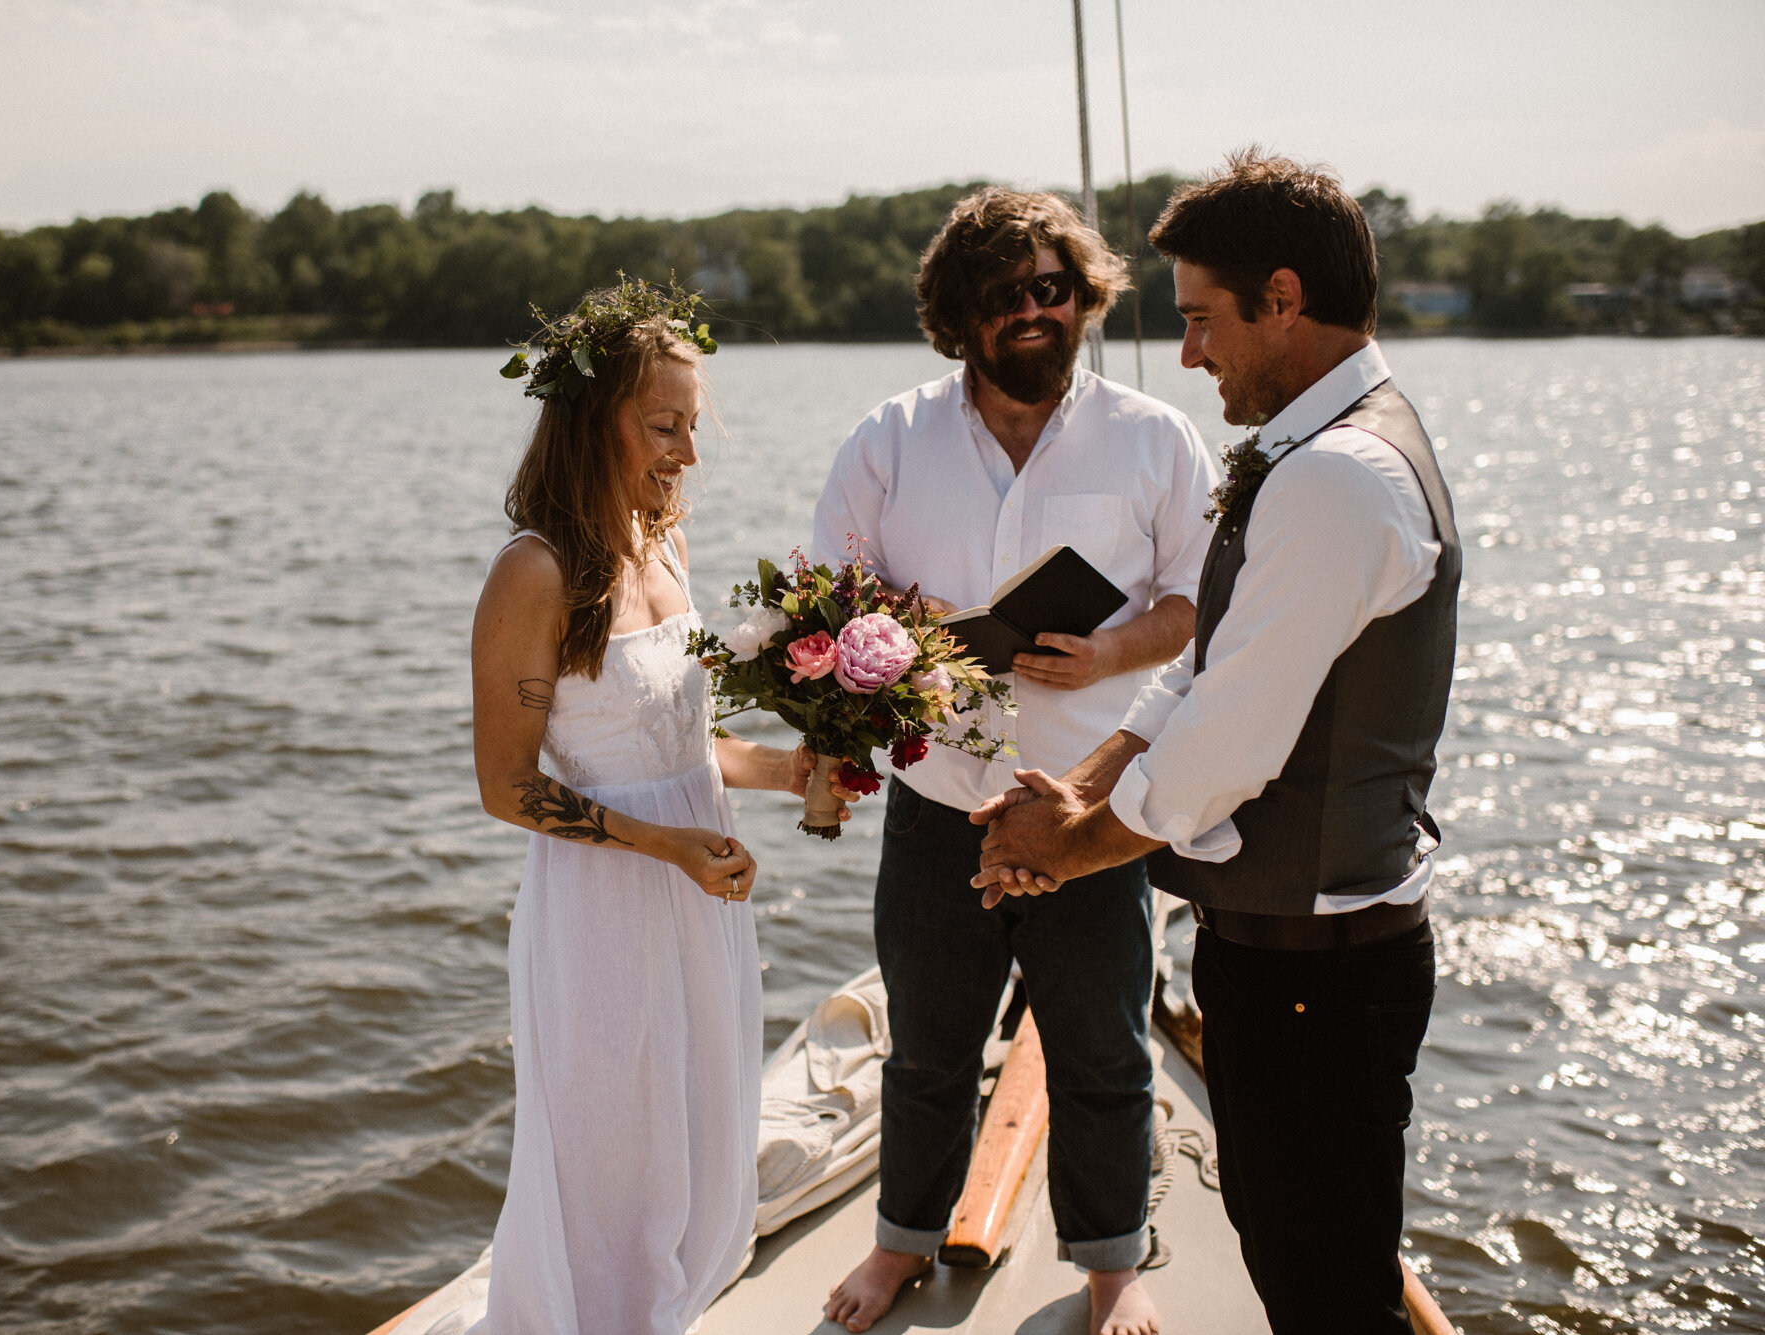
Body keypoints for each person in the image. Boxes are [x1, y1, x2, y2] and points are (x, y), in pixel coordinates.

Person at [971, 149, 1459, 1335]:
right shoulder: (1311, 452)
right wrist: (1081, 783)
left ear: (1280, 301)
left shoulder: (1339, 476)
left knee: (1323, 1286)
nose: (1188, 354)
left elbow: (1228, 747)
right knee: (1293, 1251)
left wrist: (1054, 847)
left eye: (1200, 321)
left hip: (1318, 975)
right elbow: (1200, 666)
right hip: (1279, 961)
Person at [812, 187, 1218, 1335]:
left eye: (1054, 289)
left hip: (1091, 805)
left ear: (1084, 297)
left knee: (1101, 1051)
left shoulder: (1152, 436)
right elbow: (827, 594)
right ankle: (900, 1246)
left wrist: (1109, 652)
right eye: (1007, 296)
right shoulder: (885, 439)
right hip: (937, 797)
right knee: (927, 1052)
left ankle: (1108, 1269)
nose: (1037, 311)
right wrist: (910, 624)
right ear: (959, 316)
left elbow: (1191, 600)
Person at [468, 279, 849, 1334]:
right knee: (609, 1165)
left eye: (691, 425)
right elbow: (508, 787)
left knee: (692, 1141)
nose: (687, 451)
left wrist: (789, 772)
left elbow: (675, 746)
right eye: (664, 426)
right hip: (602, 911)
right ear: (596, 423)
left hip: (696, 895)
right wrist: (663, 845)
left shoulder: (663, 547)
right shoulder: (534, 574)